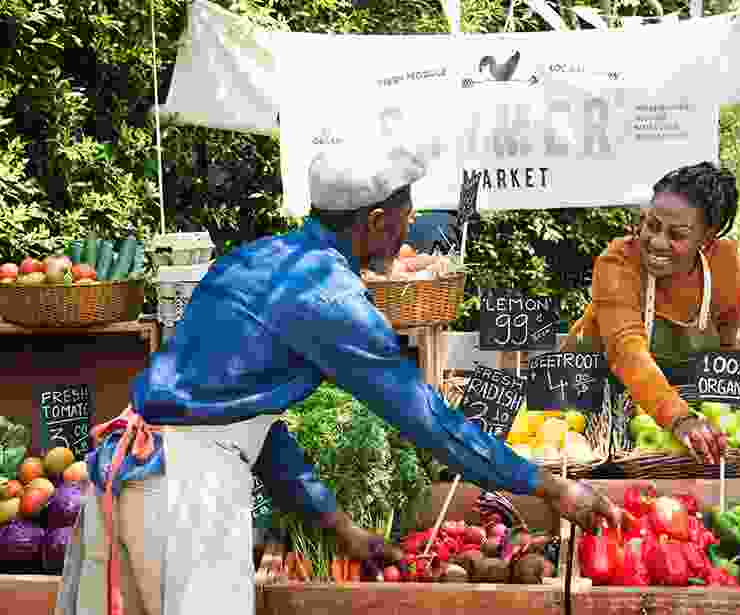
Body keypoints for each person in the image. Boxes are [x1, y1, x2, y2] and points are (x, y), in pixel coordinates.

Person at [55, 148, 620, 615]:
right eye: (404, 218)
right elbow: (432, 425)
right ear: (375, 222)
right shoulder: (331, 299)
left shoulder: (250, 261)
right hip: (182, 497)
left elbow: (252, 427)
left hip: (136, 475)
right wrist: (551, 487)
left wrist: (339, 525)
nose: (407, 235)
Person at [562, 162, 740, 465]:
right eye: (651, 225)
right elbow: (626, 350)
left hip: (663, 411)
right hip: (584, 398)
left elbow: (728, 342)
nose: (657, 242)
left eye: (676, 234)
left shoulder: (729, 265)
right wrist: (680, 419)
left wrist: (727, 414)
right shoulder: (618, 262)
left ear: (707, 238)